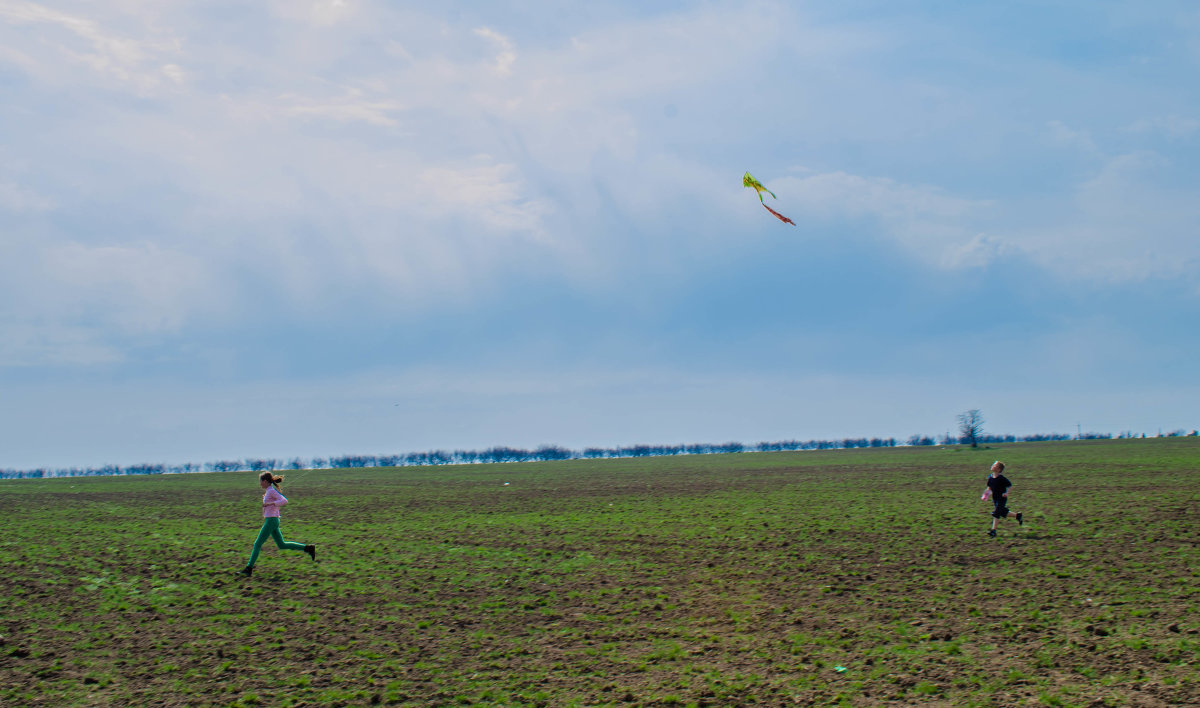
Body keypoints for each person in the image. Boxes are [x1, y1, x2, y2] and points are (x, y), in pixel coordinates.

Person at [239, 472, 316, 577]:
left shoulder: (271, 491)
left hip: (271, 521)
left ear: (265, 481)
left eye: (260, 481)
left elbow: (284, 500)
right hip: (272, 520)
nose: (260, 483)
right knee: (282, 544)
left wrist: (271, 503)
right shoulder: (268, 491)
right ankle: (308, 548)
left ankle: (249, 569)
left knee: (257, 544)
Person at [981, 460, 1023, 537]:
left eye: (995, 466)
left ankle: (993, 531)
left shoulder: (1001, 478)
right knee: (1003, 512)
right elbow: (989, 487)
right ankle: (1018, 516)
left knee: (996, 513)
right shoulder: (990, 477)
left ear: (999, 469)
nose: (993, 466)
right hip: (995, 498)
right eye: (993, 464)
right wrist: (985, 495)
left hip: (1002, 498)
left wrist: (1006, 493)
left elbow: (1010, 486)